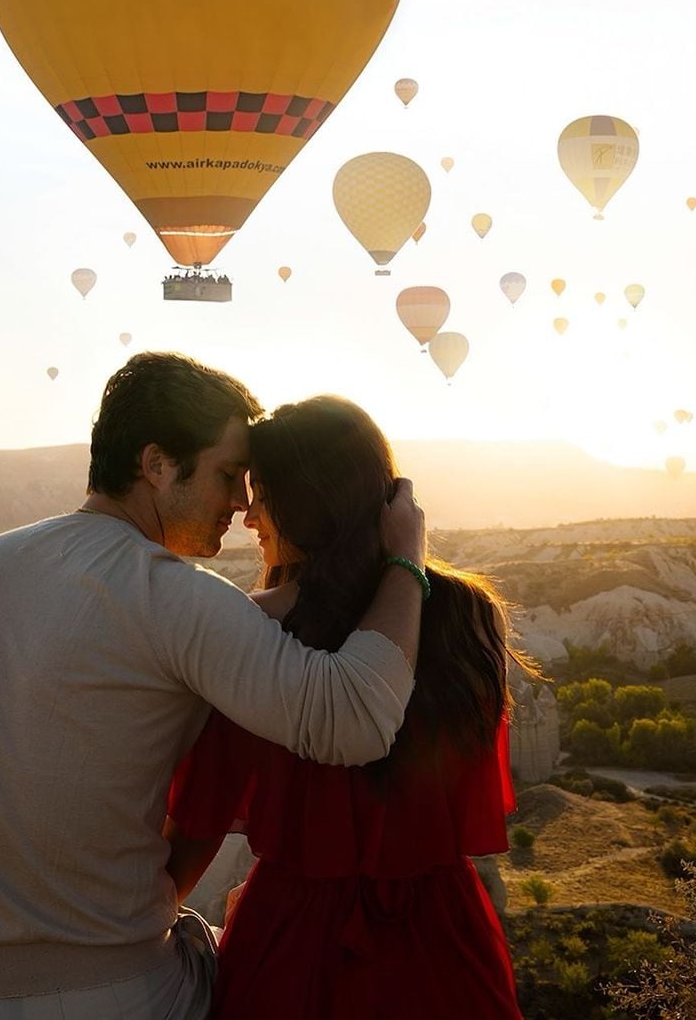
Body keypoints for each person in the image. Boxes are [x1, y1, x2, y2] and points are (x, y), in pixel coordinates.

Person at [0, 354, 429, 1020]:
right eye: (228, 475)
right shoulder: (174, 595)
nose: (240, 502)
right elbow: (356, 717)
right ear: (157, 465)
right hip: (105, 995)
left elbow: (111, 650)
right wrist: (405, 563)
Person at [166, 396, 530, 1019]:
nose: (249, 516)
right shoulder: (469, 615)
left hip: (295, 939)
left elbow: (201, 816)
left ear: (309, 501)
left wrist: (131, 925)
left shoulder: (250, 628)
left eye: (264, 493)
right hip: (443, 938)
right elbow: (467, 795)